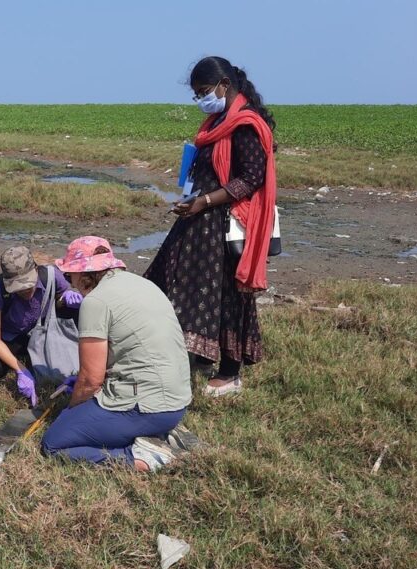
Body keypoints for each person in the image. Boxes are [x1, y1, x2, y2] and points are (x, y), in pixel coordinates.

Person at [144, 56, 278, 398]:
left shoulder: (246, 125)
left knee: (227, 296)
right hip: (201, 223)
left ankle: (231, 373)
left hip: (227, 225)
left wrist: (203, 202)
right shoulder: (217, 122)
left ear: (224, 86)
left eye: (204, 91)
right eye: (196, 95)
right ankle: (199, 354)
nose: (201, 99)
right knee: (180, 285)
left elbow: (250, 179)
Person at [41, 236, 192, 473]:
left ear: (85, 274)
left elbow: (91, 380)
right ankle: (159, 435)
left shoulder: (96, 302)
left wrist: (72, 409)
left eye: (70, 275)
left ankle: (139, 458)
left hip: (148, 407)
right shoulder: (144, 284)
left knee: (54, 443)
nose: (70, 282)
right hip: (178, 401)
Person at [0, 246, 81, 405]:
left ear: (36, 270)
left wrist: (65, 297)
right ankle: (24, 360)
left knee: (77, 307)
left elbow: (59, 300)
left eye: (28, 285)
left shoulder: (51, 276)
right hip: (12, 337)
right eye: (18, 288)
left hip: (42, 332)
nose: (25, 291)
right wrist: (21, 370)